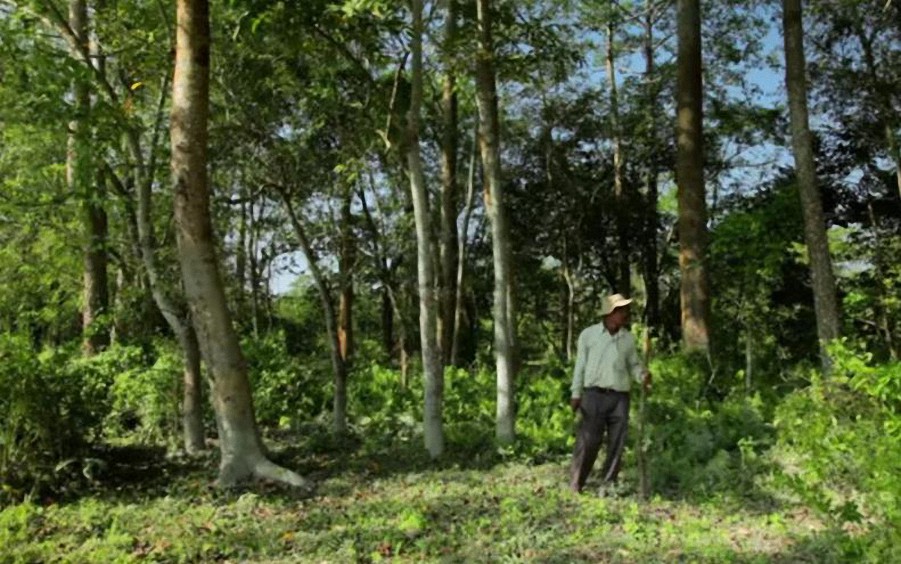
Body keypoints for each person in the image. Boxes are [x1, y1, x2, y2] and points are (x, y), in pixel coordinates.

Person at [569, 293, 651, 495]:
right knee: (589, 441)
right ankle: (577, 482)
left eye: (625, 311)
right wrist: (576, 393)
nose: (624, 315)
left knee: (617, 442)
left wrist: (643, 376)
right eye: (620, 311)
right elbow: (580, 366)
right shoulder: (589, 335)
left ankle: (607, 484)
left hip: (619, 397)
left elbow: (633, 365)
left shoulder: (628, 339)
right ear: (609, 313)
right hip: (593, 395)